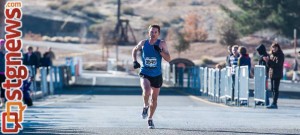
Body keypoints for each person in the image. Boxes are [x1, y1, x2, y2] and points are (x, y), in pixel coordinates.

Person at [132, 24, 171, 129]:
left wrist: (160, 51)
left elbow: (168, 59)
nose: (153, 34)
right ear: (148, 32)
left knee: (154, 98)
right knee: (147, 91)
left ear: (158, 33)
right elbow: (135, 49)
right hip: (145, 72)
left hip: (157, 75)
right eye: (151, 32)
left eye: (155, 32)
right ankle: (145, 106)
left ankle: (150, 119)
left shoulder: (162, 43)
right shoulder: (143, 43)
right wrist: (135, 61)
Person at [263, 42, 284, 109]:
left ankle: (274, 103)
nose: (274, 49)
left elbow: (278, 65)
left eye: (275, 47)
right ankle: (273, 103)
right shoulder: (271, 55)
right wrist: (267, 61)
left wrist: (269, 61)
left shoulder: (280, 55)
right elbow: (269, 66)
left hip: (277, 74)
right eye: (273, 47)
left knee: (275, 89)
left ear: (278, 48)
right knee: (272, 89)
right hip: (272, 74)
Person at [0, 39, 5, 107]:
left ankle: (3, 102)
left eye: (3, 44)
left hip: (4, 73)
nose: (2, 46)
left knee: (3, 88)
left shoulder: (7, 54)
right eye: (1, 44)